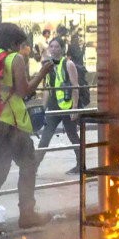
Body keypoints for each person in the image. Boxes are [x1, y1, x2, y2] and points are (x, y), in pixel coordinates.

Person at [0, 22, 55, 238]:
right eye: (21, 43)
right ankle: (27, 213)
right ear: (14, 43)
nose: (23, 48)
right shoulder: (14, 59)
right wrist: (43, 70)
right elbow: (25, 91)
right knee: (28, 163)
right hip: (9, 124)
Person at [38, 37, 81, 168]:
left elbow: (75, 86)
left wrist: (74, 108)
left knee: (72, 136)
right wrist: (42, 109)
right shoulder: (47, 66)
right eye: (51, 46)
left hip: (67, 107)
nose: (53, 49)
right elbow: (47, 89)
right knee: (45, 137)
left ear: (62, 49)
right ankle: (33, 167)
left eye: (57, 46)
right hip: (54, 106)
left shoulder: (68, 64)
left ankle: (81, 165)